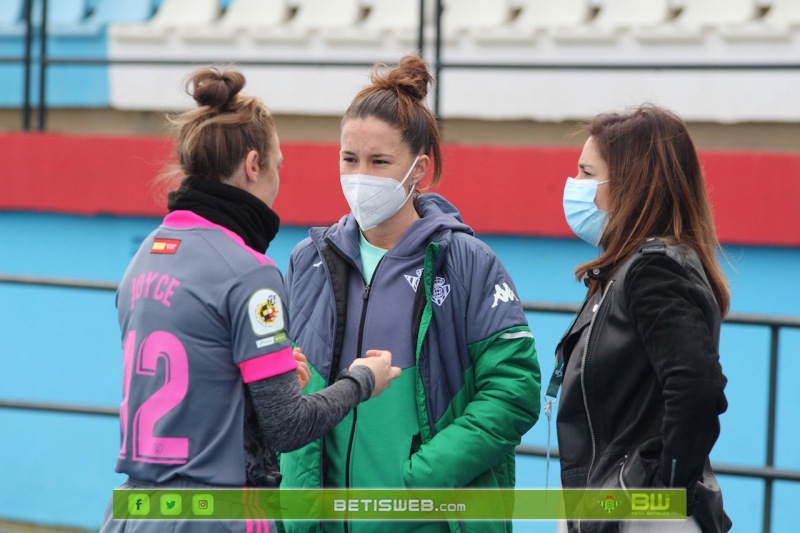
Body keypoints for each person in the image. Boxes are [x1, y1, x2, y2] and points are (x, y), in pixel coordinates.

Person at [100, 67, 401, 533]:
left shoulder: (145, 256)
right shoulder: (249, 272)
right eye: (279, 164)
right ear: (254, 165)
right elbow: (288, 426)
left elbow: (200, 377)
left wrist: (267, 375)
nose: (279, 178)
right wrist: (361, 379)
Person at [278, 55, 541, 533]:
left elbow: (514, 392)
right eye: (349, 158)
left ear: (419, 168)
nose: (361, 176)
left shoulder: (468, 262)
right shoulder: (306, 260)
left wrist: (424, 478)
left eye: (380, 162)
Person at [550, 104, 732, 533]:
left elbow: (697, 390)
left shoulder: (655, 268)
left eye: (587, 174)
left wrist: (658, 495)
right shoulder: (624, 270)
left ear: (632, 185)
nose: (574, 187)